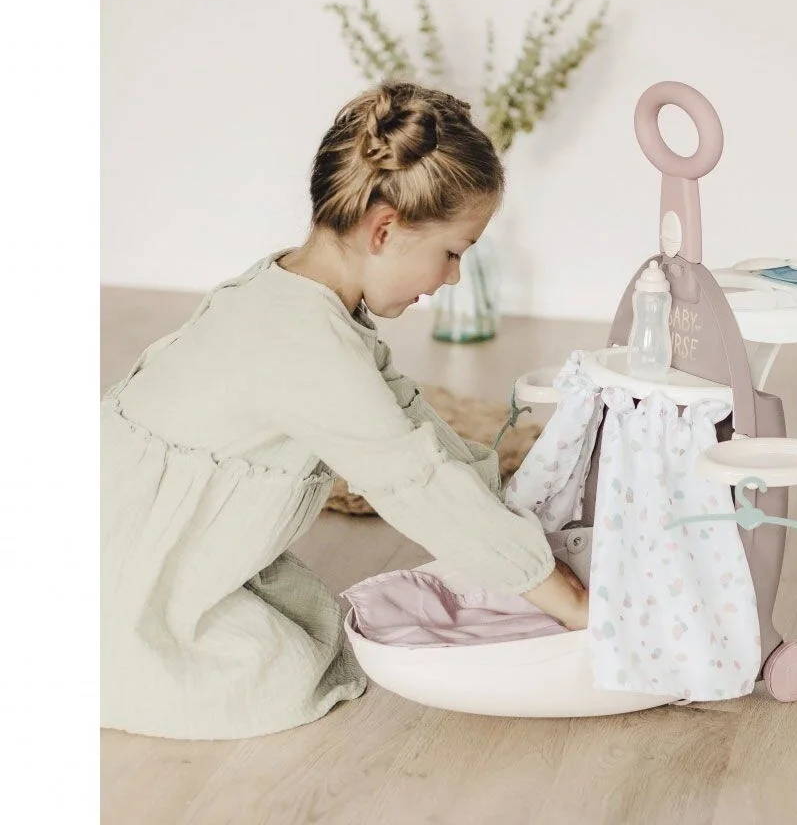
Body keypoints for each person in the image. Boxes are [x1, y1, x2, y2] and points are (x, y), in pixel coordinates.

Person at [100, 82, 588, 740]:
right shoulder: (303, 344)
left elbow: (417, 432)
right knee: (276, 675)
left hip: (134, 525)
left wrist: (517, 519)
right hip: (119, 565)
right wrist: (569, 602)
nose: (451, 278)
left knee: (310, 634)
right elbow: (414, 485)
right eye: (452, 253)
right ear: (384, 229)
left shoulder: (295, 293)